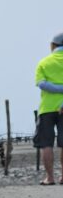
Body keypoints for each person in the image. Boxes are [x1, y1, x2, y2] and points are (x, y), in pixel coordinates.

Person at [35, 32, 63, 185]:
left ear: (53, 46)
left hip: (47, 108)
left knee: (46, 143)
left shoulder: (44, 62)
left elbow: (42, 84)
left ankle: (50, 177)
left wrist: (58, 89)